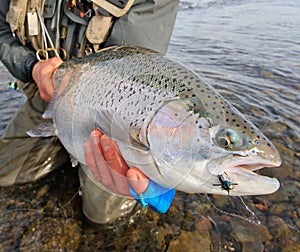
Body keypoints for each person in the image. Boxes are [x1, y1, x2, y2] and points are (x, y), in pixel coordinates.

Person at [0, 0, 179, 223]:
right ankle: (65, 150)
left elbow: (132, 74)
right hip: (46, 97)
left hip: (108, 115)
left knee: (103, 216)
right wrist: (31, 66)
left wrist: (155, 171)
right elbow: (2, 31)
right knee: (4, 174)